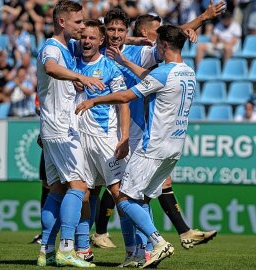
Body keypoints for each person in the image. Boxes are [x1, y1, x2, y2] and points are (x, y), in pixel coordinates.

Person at [92, 3, 224, 254]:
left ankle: (139, 249)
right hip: (101, 126)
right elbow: (79, 36)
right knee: (97, 189)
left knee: (125, 190)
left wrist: (202, 19)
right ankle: (93, 237)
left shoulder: (139, 53)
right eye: (111, 29)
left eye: (121, 29)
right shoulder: (93, 48)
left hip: (135, 130)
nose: (116, 34)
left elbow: (171, 40)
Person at [76, 24, 195, 268]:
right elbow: (150, 78)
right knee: (141, 200)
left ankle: (157, 242)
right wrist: (124, 60)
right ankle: (142, 255)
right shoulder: (187, 72)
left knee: (125, 198)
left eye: (157, 44)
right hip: (174, 148)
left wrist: (94, 100)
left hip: (153, 146)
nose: (155, 49)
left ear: (163, 45)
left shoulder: (164, 72)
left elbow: (125, 97)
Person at [35, 0, 105, 268]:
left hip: (54, 127)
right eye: (78, 22)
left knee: (56, 191)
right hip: (61, 128)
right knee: (79, 187)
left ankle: (46, 250)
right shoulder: (51, 47)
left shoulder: (69, 47)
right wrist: (81, 77)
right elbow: (51, 68)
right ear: (62, 22)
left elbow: (97, 37)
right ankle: (67, 248)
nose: (81, 26)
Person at [73, 19, 130, 262]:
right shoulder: (71, 62)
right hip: (78, 138)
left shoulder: (110, 68)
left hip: (104, 137)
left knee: (119, 193)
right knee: (83, 193)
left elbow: (123, 102)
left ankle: (138, 249)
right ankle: (83, 248)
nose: (86, 41)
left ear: (100, 40)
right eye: (83, 37)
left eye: (92, 37)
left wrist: (124, 136)